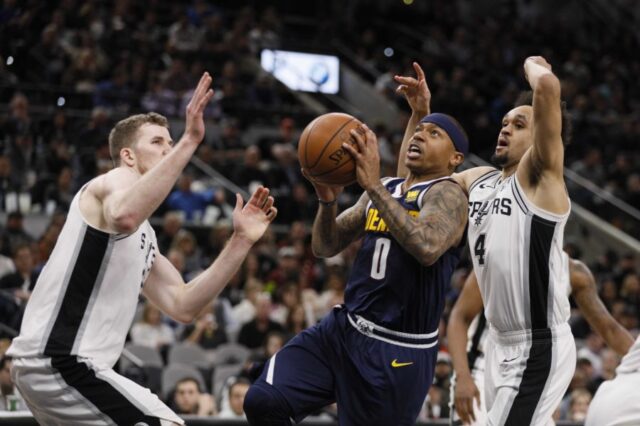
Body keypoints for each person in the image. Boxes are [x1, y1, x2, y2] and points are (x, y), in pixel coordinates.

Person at [6, 72, 278, 426]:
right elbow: (124, 214)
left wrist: (240, 241)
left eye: (171, 142)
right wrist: (190, 139)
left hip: (66, 367)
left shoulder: (144, 235)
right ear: (128, 155)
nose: (168, 148)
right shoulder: (112, 182)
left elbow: (183, 305)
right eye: (157, 142)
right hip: (60, 359)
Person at [244, 106, 470, 423]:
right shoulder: (387, 188)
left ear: (455, 158)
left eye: (435, 133)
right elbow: (325, 245)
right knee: (263, 401)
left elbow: (428, 247)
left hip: (397, 352)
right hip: (343, 331)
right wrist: (327, 201)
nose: (420, 134)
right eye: (419, 130)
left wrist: (373, 186)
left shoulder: (449, 195)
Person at [397, 57, 575, 425]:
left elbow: (547, 89)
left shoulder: (541, 179)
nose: (506, 129)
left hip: (538, 344)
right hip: (496, 344)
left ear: (540, 133)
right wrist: (420, 116)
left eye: (519, 123)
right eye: (504, 122)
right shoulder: (478, 180)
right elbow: (410, 187)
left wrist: (531, 64)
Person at [447, 254, 634, 425]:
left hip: (532, 373)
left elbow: (610, 329)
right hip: (481, 368)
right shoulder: (498, 258)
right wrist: (463, 376)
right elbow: (459, 317)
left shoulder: (572, 271)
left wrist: (637, 359)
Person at [585, 335, 640, 425]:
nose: (609, 363)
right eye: (607, 360)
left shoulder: (605, 387)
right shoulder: (599, 384)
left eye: (611, 360)